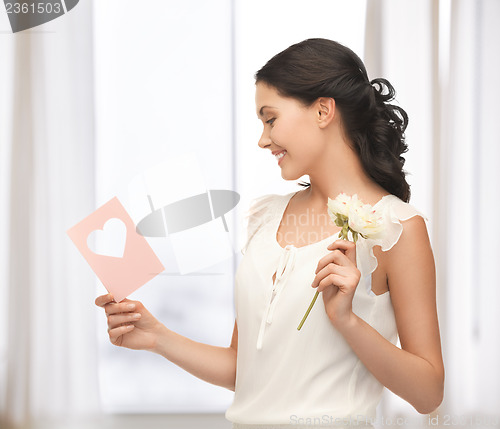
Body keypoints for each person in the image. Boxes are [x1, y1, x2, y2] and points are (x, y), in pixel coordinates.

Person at [95, 38, 444, 428]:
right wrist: (157, 337)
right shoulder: (266, 216)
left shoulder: (397, 228)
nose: (263, 139)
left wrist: (347, 321)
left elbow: (428, 393)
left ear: (323, 111)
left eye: (270, 119)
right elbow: (243, 370)